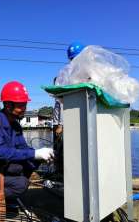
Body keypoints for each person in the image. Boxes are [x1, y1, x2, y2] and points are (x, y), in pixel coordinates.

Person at [0, 81, 54, 199]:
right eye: (21, 105)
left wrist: (42, 155)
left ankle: (5, 191)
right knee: (21, 185)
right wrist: (35, 153)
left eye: (25, 104)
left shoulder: (15, 126)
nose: (24, 108)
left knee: (31, 163)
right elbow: (0, 152)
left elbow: (23, 148)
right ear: (8, 105)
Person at [53, 42, 85, 177]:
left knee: (64, 149)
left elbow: (64, 104)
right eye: (72, 59)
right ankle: (60, 173)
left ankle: (63, 173)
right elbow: (60, 104)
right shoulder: (69, 74)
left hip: (66, 122)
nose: (73, 61)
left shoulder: (80, 74)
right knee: (59, 150)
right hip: (62, 122)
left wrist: (61, 124)